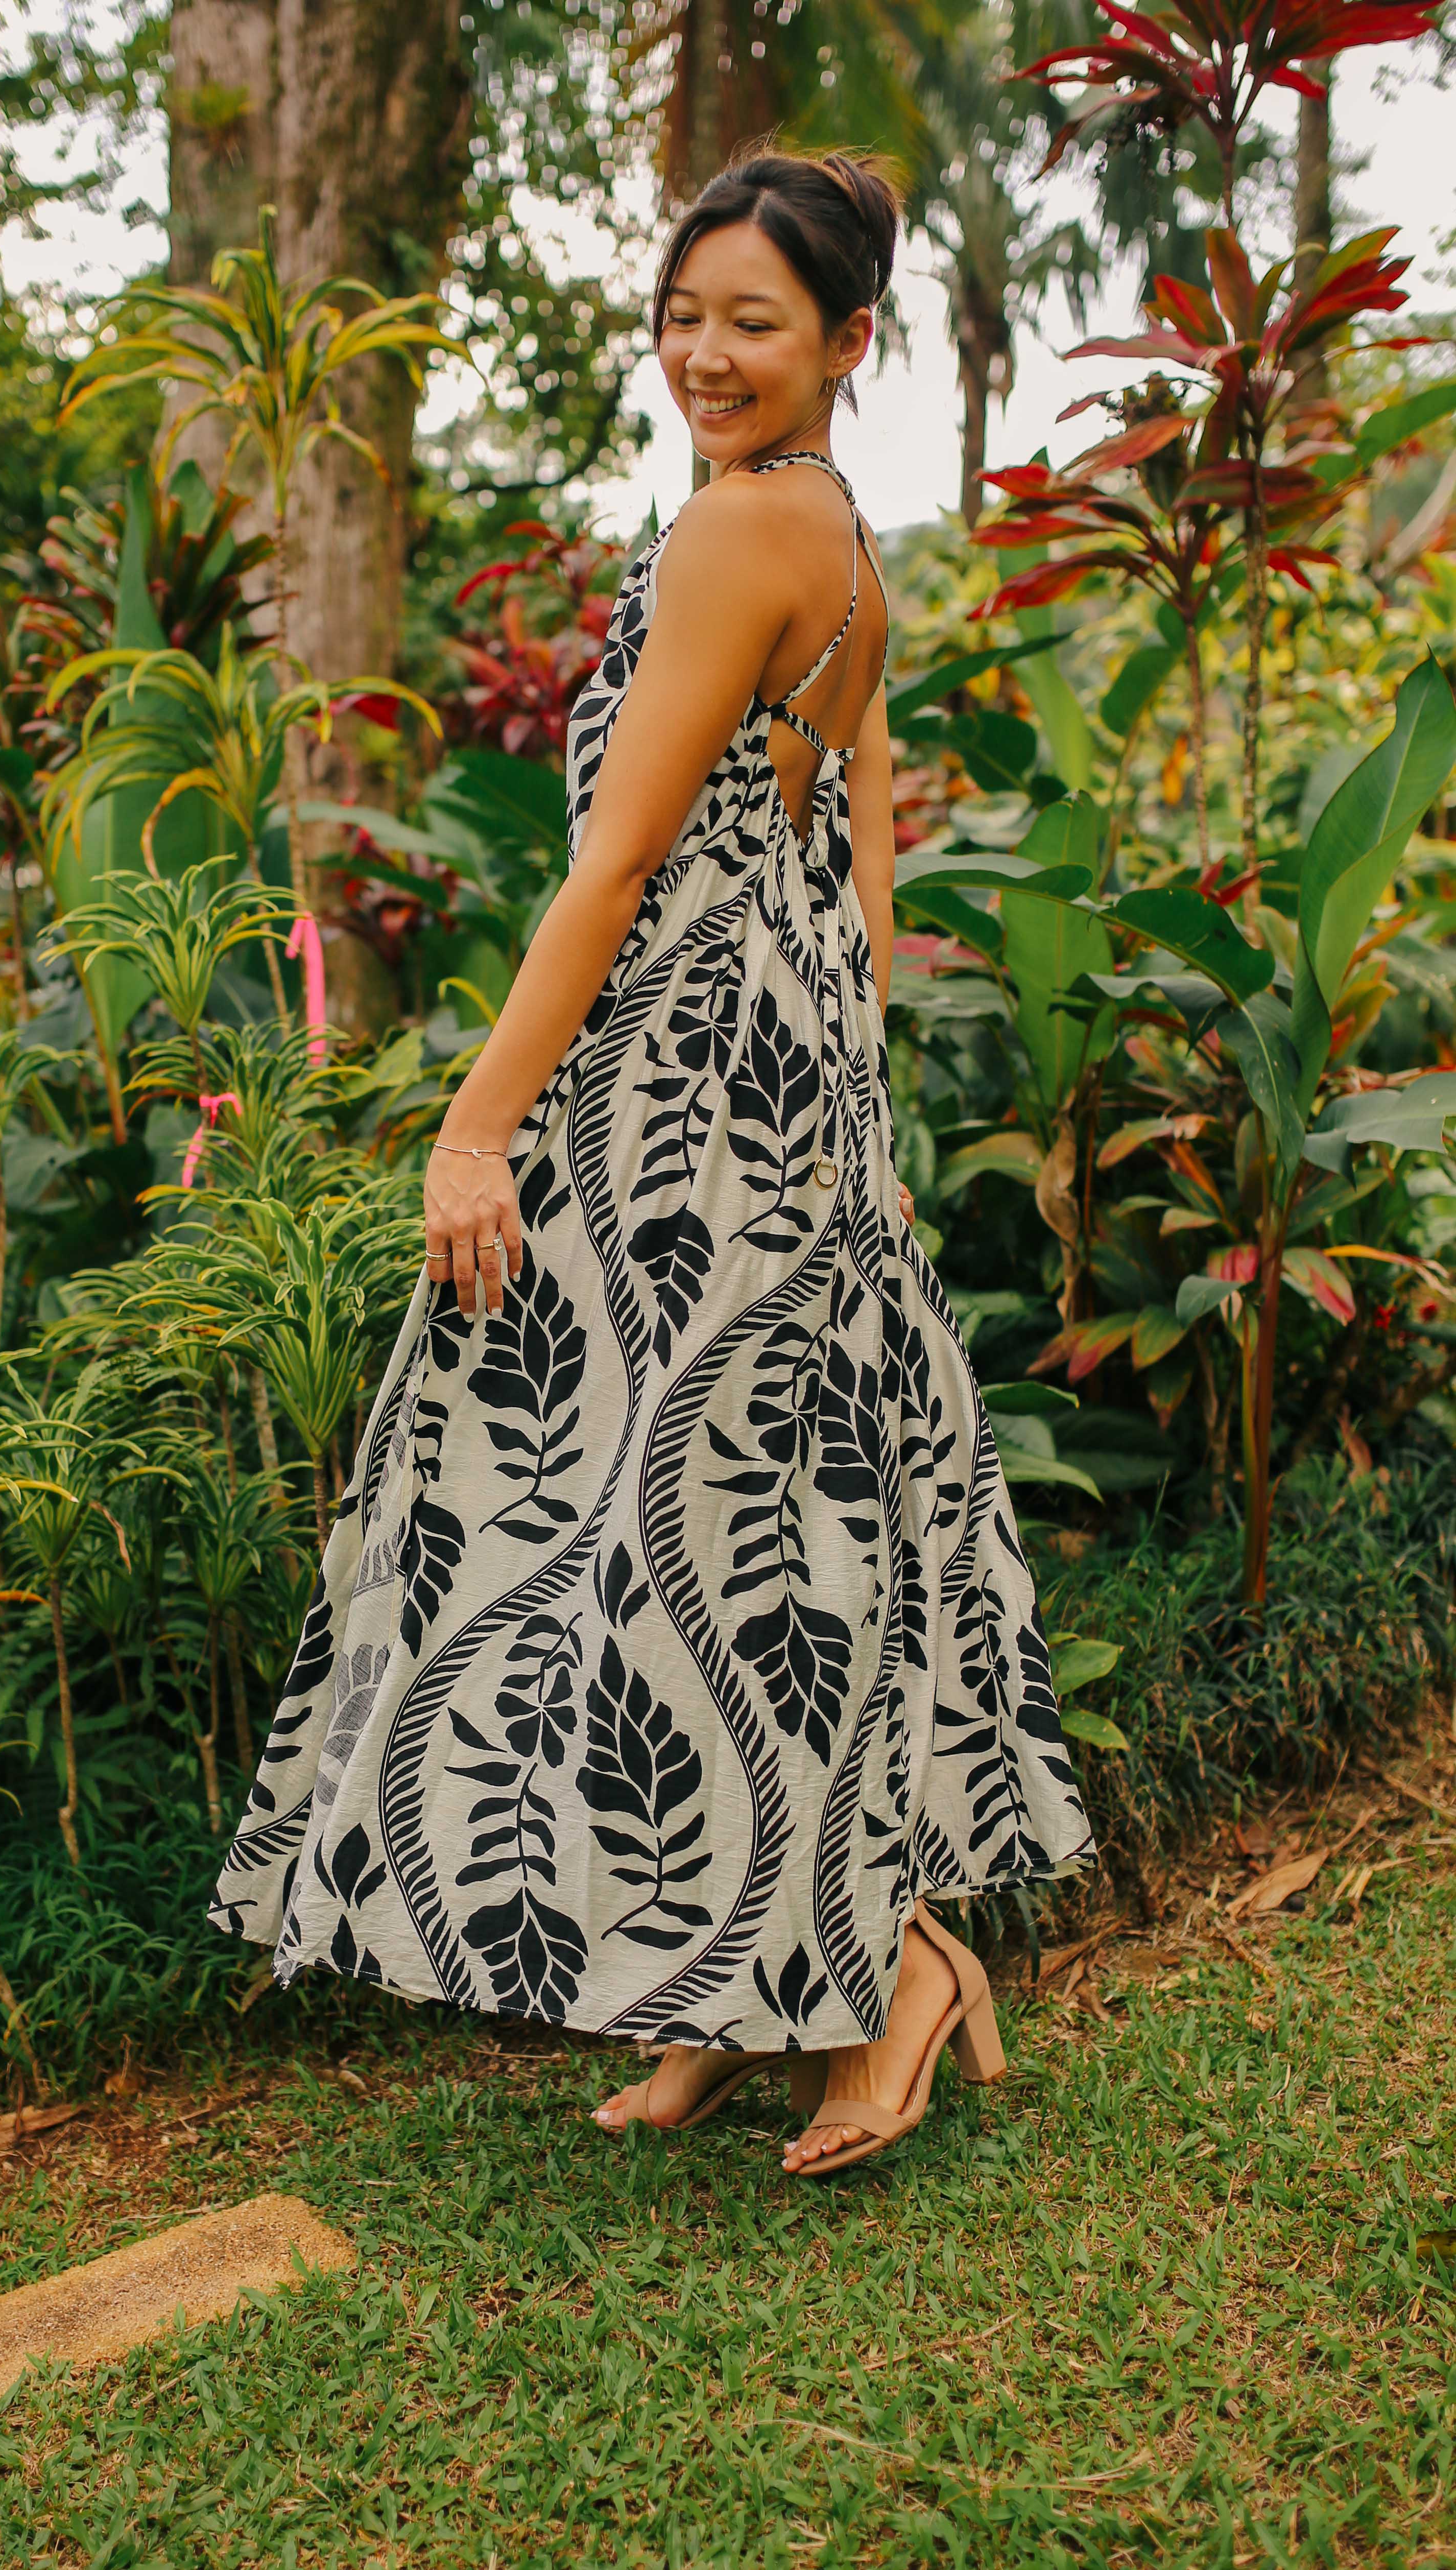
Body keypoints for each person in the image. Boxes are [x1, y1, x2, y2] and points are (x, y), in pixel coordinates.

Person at [209, 145, 1094, 2177]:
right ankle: (722, 1988)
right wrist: (842, 1069)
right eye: (685, 313)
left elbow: (612, 858)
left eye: (753, 323)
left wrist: (470, 1120)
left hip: (682, 1089)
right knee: (688, 1532)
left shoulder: (732, 537)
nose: (704, 351)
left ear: (845, 342)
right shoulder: (833, 534)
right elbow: (859, 830)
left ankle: (893, 1977)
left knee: (682, 1531)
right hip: (771, 1067)